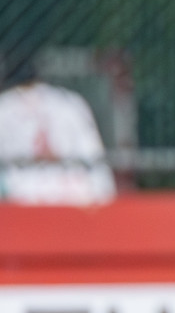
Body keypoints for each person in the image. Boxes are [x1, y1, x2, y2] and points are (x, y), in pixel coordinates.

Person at [0, 59, 116, 205]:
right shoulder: (70, 101)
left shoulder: (4, 106)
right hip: (74, 192)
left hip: (22, 193)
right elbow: (92, 153)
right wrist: (104, 193)